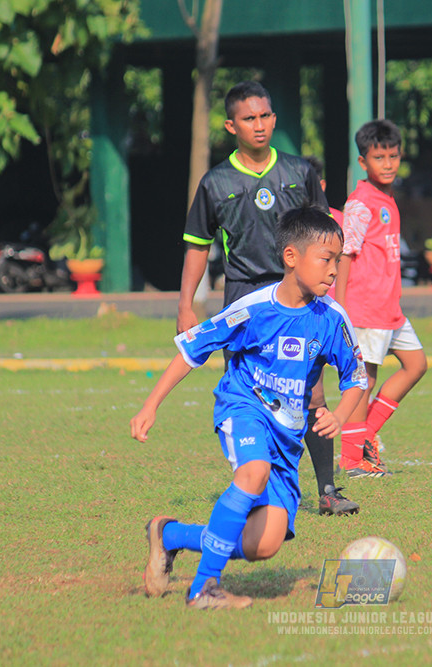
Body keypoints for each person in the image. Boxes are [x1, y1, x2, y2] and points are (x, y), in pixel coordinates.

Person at [133, 206, 367, 609]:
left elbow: (356, 377)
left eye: (338, 260)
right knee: (252, 471)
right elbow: (193, 349)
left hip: (287, 438)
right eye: (326, 259)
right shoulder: (253, 308)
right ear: (291, 257)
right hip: (244, 407)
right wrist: (151, 404)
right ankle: (204, 588)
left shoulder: (331, 318)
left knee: (264, 544)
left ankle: (169, 536)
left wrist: (340, 415)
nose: (334, 270)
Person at [177, 81, 357, 516]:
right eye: (248, 118)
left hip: (299, 293)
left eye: (265, 116)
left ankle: (328, 490)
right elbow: (198, 246)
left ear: (274, 118)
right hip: (245, 296)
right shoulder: (216, 182)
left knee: (310, 390)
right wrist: (186, 304)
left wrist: (339, 297)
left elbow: (328, 237)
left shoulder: (299, 171)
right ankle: (256, 482)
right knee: (254, 391)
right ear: (230, 125)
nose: (259, 125)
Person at [332, 119, 428, 478]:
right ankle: (353, 461)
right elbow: (345, 254)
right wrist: (339, 308)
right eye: (379, 157)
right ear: (363, 162)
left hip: (390, 309)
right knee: (364, 380)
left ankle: (366, 435)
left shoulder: (387, 199)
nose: (387, 163)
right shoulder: (360, 204)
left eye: (393, 156)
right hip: (364, 307)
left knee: (417, 364)